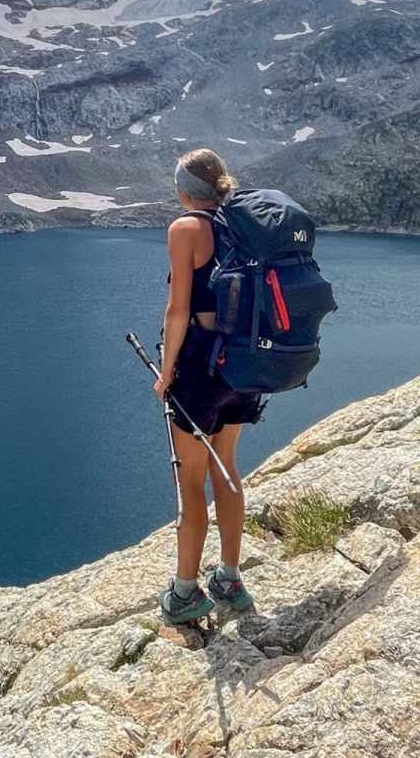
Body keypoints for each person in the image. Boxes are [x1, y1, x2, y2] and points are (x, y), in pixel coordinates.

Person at [153, 148, 263, 624]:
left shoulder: (186, 228)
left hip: (202, 368)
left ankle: (184, 593)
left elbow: (179, 310)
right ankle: (231, 578)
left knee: (191, 481)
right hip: (246, 364)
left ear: (185, 189)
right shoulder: (243, 223)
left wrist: (165, 371)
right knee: (227, 466)